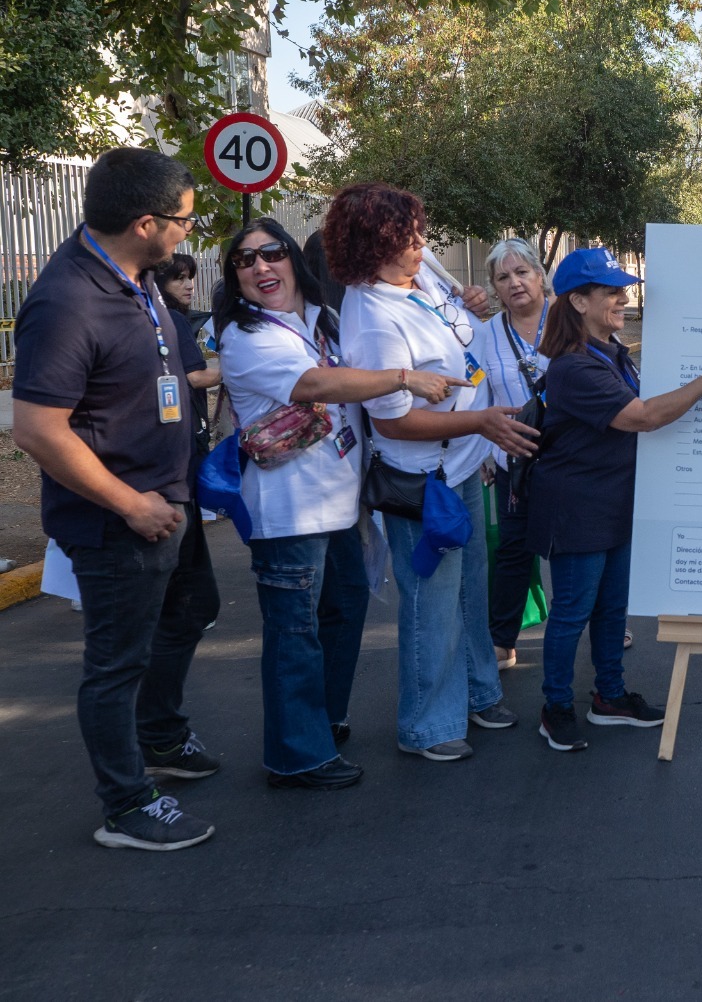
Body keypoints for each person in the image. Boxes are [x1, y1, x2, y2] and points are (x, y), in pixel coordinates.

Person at [12, 147, 220, 850]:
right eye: (185, 222)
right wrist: (131, 505)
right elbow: (37, 428)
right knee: (115, 665)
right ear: (144, 222)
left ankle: (158, 739)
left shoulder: (140, 276)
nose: (190, 232)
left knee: (194, 607)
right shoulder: (67, 299)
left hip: (168, 500)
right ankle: (127, 805)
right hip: (120, 522)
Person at [214, 218, 466, 789]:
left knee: (345, 607)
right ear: (235, 280)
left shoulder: (320, 318)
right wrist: (403, 379)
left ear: (294, 262)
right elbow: (317, 386)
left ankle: (322, 720)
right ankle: (296, 755)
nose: (260, 267)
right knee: (294, 631)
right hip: (289, 511)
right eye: (245, 261)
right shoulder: (247, 335)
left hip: (340, 504)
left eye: (271, 254)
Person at [325, 182, 537, 763]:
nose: (422, 244)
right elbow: (392, 425)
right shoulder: (371, 314)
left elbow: (462, 340)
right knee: (432, 603)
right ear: (372, 246)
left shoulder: (420, 278)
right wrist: (481, 425)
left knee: (470, 588)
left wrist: (468, 308)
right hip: (424, 481)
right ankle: (427, 725)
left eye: (419, 232)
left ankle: (476, 691)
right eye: (407, 238)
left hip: (463, 465)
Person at [528, 248, 702, 752]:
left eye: (622, 290)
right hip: (577, 507)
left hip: (613, 502)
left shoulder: (612, 352)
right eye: (611, 292)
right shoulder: (575, 367)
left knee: (611, 610)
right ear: (578, 301)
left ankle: (610, 698)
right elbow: (641, 417)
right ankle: (555, 707)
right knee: (572, 613)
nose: (622, 299)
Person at [481, 237, 551, 669]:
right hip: (515, 461)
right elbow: (477, 398)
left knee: (581, 549)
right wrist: (489, 451)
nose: (515, 283)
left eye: (522, 272)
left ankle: (605, 623)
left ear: (540, 276)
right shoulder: (484, 334)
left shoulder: (572, 320)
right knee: (513, 551)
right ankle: (502, 639)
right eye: (503, 277)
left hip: (573, 459)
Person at [152, 252, 220, 493]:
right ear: (161, 283)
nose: (189, 285)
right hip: (187, 427)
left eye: (190, 277)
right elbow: (197, 377)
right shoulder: (175, 319)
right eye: (179, 279)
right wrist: (234, 367)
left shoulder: (151, 316)